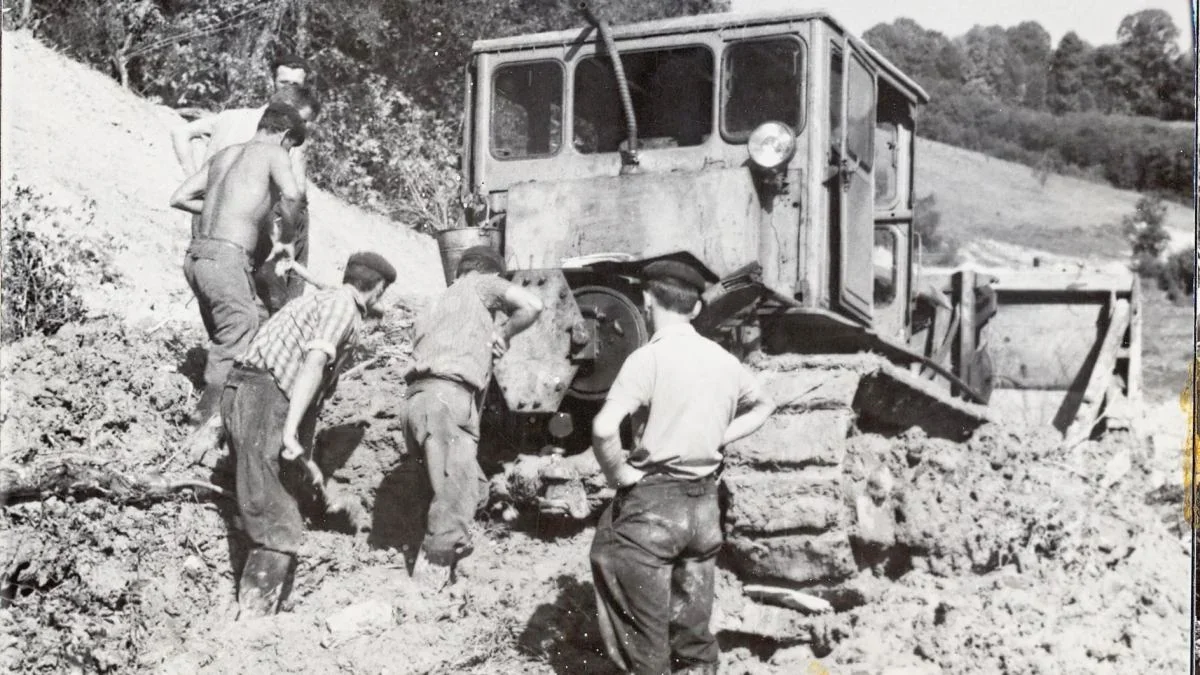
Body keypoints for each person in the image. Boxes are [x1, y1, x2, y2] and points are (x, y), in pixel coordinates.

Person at [588, 260, 775, 675]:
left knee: (639, 629)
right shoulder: (724, 360)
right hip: (704, 509)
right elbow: (765, 404)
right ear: (694, 310)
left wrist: (618, 474)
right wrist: (718, 436)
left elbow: (603, 428)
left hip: (652, 507)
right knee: (693, 632)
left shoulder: (647, 359)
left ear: (646, 300)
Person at [222, 251, 397, 618]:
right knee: (277, 519)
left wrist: (304, 455)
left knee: (269, 493)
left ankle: (253, 605)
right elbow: (315, 363)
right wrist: (289, 433)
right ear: (378, 288)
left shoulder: (326, 297)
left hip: (250, 391)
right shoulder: (343, 308)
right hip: (265, 396)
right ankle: (252, 624)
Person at [403, 245, 544, 589]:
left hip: (415, 403)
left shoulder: (434, 303)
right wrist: (504, 333)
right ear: (490, 273)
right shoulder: (482, 284)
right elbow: (533, 304)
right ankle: (427, 590)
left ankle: (439, 565)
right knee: (454, 501)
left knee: (457, 488)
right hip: (449, 398)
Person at [168, 101, 308, 437]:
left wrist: (233, 209)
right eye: (291, 146)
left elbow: (180, 197)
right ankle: (203, 427)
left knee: (235, 328)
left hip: (197, 257)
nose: (288, 152)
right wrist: (286, 236)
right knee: (240, 330)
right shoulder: (274, 154)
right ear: (286, 135)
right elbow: (293, 195)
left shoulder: (226, 153)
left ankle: (221, 414)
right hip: (227, 260)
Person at [170, 55, 319, 312]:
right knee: (267, 297)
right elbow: (296, 192)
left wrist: (194, 177)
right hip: (250, 225)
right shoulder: (282, 132)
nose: (290, 89)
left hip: (209, 216)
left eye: (295, 84)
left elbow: (181, 132)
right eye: (286, 83)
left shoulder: (230, 116)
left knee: (217, 294)